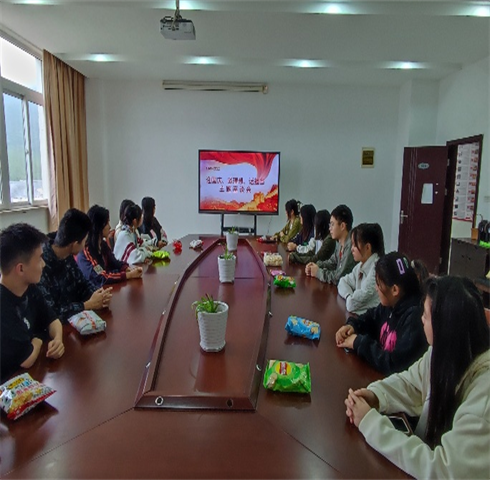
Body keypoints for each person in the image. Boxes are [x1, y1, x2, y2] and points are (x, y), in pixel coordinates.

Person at [344, 276, 490, 480]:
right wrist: (376, 395)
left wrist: (371, 424)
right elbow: (411, 383)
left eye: (426, 315)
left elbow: (444, 470)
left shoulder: (484, 398)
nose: (421, 319)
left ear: (445, 327)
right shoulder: (444, 352)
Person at [335, 252, 428, 374]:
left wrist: (359, 343)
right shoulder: (391, 303)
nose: (376, 288)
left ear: (395, 290)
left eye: (378, 284)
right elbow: (370, 318)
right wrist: (352, 325)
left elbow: (394, 364)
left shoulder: (414, 319)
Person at [0, 223, 64, 383]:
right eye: (40, 259)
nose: (44, 264)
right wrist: (39, 339)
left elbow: (52, 319)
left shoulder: (30, 288)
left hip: (30, 376)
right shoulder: (3, 306)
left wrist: (57, 339)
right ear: (20, 269)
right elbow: (27, 359)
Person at [38, 209, 113, 324]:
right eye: (84, 241)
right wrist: (87, 305)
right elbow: (51, 313)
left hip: (78, 322)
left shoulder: (67, 256)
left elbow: (82, 283)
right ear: (74, 244)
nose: (84, 246)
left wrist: (99, 295)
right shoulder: (41, 264)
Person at [78, 205, 143, 288]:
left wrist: (127, 268)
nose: (110, 227)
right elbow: (101, 277)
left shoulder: (103, 245)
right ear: (99, 226)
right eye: (107, 223)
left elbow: (115, 262)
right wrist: (128, 275)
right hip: (95, 291)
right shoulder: (86, 251)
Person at [337, 223, 385, 314]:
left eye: (355, 245)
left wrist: (350, 298)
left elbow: (351, 305)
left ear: (367, 247)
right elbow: (342, 281)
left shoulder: (377, 270)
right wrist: (349, 296)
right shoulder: (360, 266)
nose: (352, 249)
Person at [305, 204, 356, 284]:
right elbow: (332, 263)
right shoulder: (340, 243)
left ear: (342, 226)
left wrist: (318, 273)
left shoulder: (351, 246)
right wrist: (315, 265)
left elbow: (339, 278)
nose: (330, 228)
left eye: (332, 224)